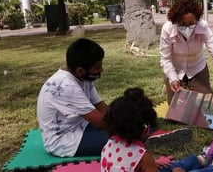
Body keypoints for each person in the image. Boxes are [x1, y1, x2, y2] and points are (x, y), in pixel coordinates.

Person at [37, 38, 191, 157]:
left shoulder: (82, 79)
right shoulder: (66, 86)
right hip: (64, 141)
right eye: (97, 68)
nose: (101, 70)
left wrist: (129, 118)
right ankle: (149, 136)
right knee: (124, 139)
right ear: (80, 70)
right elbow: (100, 121)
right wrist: (130, 126)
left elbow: (101, 107)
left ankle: (151, 134)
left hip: (81, 126)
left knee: (130, 127)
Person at [101, 87, 213, 172]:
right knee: (176, 169)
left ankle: (202, 160)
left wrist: (153, 164)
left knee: (168, 166)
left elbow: (129, 164)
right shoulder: (142, 156)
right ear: (142, 127)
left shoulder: (109, 144)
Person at [159, 0, 213, 104]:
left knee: (204, 106)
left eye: (191, 24)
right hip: (175, 70)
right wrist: (173, 78)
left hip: (197, 69)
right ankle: (169, 85)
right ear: (176, 20)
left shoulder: (203, 27)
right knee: (177, 110)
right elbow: (165, 59)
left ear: (197, 19)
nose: (188, 28)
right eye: (183, 24)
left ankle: (191, 86)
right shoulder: (167, 29)